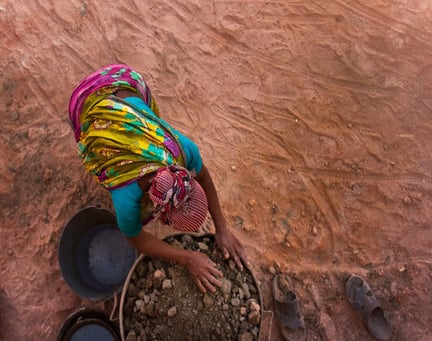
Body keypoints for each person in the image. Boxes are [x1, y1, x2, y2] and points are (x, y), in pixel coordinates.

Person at [68, 64, 249, 293]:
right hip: (87, 103)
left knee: (150, 116)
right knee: (100, 151)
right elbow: (135, 239)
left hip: (125, 80)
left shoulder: (183, 150)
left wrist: (222, 228)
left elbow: (205, 177)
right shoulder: (125, 194)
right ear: (157, 210)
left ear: (184, 174)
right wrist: (187, 258)